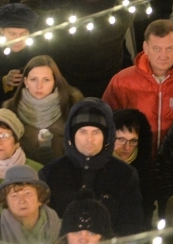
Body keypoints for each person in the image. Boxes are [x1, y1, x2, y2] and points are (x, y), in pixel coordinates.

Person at [38, 97, 143, 236]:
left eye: (96, 132)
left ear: (107, 137)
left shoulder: (124, 174)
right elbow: (45, 226)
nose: (89, 139)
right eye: (83, 132)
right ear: (71, 135)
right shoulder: (51, 173)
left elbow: (131, 226)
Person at [102, 18, 173, 147]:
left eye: (169, 48)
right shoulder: (122, 81)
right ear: (146, 47)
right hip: (136, 158)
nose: (163, 55)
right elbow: (107, 122)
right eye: (157, 49)